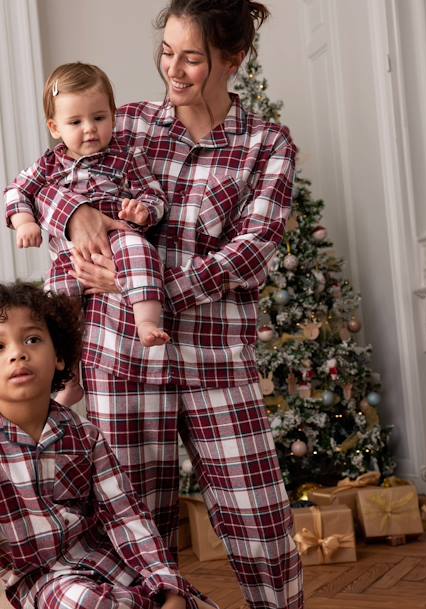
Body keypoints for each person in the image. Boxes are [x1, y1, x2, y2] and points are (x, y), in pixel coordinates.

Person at [9, 1, 304, 608]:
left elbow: (248, 255)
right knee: (139, 532)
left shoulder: (266, 144)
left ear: (234, 60)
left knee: (262, 530)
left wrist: (142, 288)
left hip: (218, 361)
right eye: (166, 52)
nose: (173, 69)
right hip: (121, 360)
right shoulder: (130, 123)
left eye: (192, 58)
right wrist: (79, 214)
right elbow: (48, 181)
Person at [0, 280, 217, 609]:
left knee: (182, 601)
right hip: (38, 579)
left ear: (59, 356)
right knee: (83, 601)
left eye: (32, 339)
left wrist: (166, 585)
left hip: (107, 562)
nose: (18, 353)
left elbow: (126, 515)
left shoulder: (85, 435)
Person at [4, 62, 170, 405]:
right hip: (70, 253)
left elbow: (154, 194)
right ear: (54, 127)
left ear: (113, 115)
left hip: (118, 236)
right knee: (57, 303)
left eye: (98, 118)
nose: (89, 130)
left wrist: (143, 210)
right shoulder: (49, 164)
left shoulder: (125, 158)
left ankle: (147, 321)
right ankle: (68, 376)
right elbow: (16, 191)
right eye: (75, 122)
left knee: (142, 252)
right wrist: (25, 222)